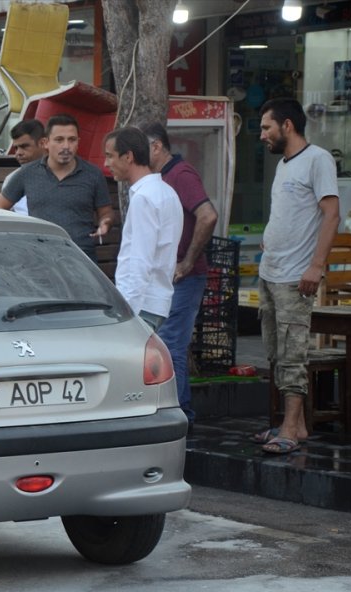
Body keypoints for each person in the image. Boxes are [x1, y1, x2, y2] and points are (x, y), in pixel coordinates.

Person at [255, 98, 340, 455]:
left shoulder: (318, 159)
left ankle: (290, 427)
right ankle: (296, 424)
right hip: (270, 271)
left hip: (295, 276)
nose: (262, 135)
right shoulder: (284, 166)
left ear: (286, 125)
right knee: (275, 351)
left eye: (266, 127)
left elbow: (332, 214)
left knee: (293, 352)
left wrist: (316, 266)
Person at [142, 121, 219, 428]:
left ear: (156, 147)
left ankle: (181, 413)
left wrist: (187, 262)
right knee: (166, 342)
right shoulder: (160, 178)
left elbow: (208, 215)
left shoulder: (181, 174)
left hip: (186, 276)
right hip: (168, 276)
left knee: (171, 343)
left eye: (140, 148)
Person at [0, 114, 114, 261]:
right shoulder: (27, 173)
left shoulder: (93, 174)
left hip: (81, 260)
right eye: (59, 140)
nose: (66, 146)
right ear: (45, 143)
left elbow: (106, 213)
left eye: (72, 140)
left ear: (78, 142)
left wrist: (105, 223)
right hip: (39, 259)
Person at [103, 126, 183, 331]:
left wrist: (127, 310)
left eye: (110, 156)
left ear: (128, 156)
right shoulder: (166, 192)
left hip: (141, 305)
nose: (106, 163)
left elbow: (140, 260)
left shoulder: (145, 197)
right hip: (154, 301)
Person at [2, 119, 48, 215]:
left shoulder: (60, 174)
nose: (18, 153)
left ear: (43, 143)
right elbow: (1, 214)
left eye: (24, 146)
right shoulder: (12, 178)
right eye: (16, 148)